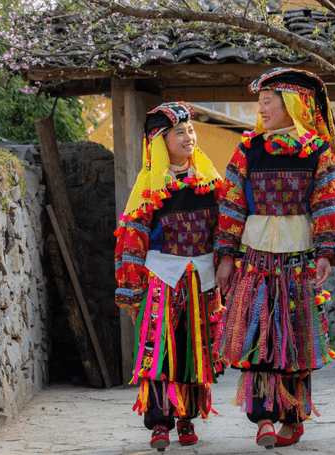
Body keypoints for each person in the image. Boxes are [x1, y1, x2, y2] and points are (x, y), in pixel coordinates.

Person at [214, 67, 335, 449]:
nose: (262, 108)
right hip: (255, 259)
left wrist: (326, 253)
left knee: (294, 338)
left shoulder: (319, 153)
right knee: (258, 332)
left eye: (268, 101)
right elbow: (232, 203)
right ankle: (264, 417)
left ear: (294, 104)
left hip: (299, 258)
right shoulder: (248, 149)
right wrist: (225, 256)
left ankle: (292, 415)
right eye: (261, 102)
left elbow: (328, 203)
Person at [114, 101, 225, 452]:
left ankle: (187, 417)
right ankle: (160, 423)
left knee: (195, 350)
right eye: (180, 132)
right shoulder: (149, 188)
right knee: (160, 350)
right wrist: (132, 289)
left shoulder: (210, 182)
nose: (189, 136)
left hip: (201, 280)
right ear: (160, 141)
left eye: (191, 130)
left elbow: (225, 229)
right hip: (163, 279)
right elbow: (133, 239)